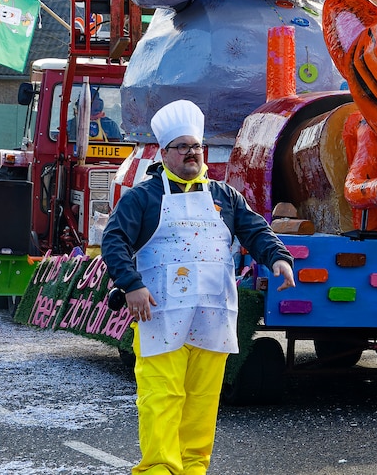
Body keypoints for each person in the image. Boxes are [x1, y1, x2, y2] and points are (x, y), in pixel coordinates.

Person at [102, 99, 296, 474]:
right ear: (165, 153)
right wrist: (131, 285)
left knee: (202, 401)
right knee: (162, 398)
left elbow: (255, 229)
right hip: (159, 314)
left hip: (212, 316)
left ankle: (193, 470)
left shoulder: (225, 196)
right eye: (182, 147)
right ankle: (158, 470)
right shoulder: (143, 197)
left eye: (196, 146)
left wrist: (277, 258)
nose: (191, 153)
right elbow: (114, 242)